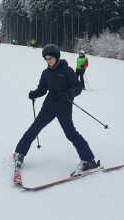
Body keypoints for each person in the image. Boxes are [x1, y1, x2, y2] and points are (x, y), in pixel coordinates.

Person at [14, 44, 100, 177]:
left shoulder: (67, 70)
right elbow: (43, 89)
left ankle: (89, 160)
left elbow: (77, 87)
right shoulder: (46, 72)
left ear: (57, 57)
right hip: (48, 106)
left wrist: (68, 94)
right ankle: (20, 153)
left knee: (70, 133)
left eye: (51, 58)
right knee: (34, 129)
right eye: (46, 59)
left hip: (63, 106)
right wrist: (35, 93)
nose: (48, 61)